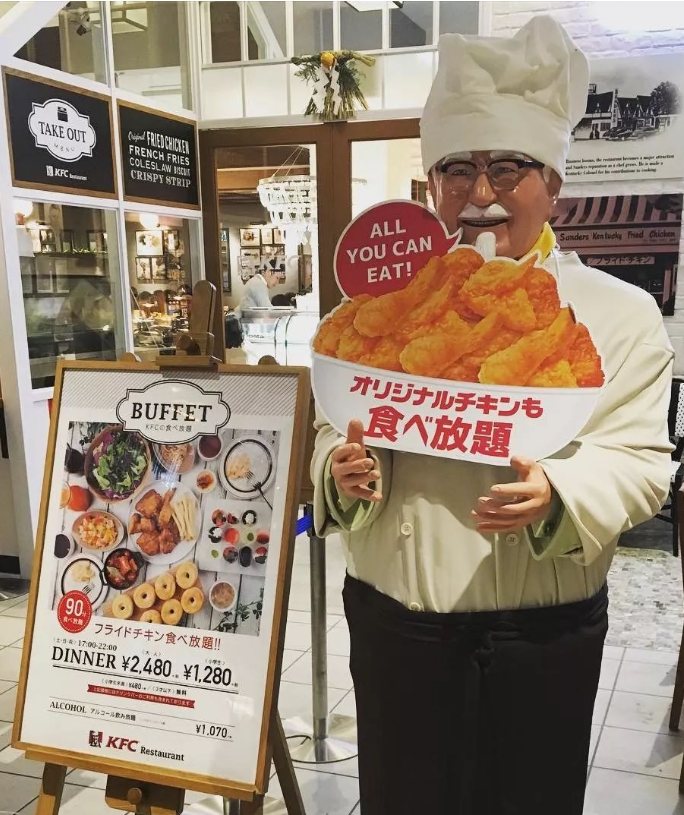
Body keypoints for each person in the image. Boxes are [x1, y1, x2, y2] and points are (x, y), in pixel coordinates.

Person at [311, 16, 673, 815]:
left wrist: (561, 493)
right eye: (457, 169)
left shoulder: (620, 315)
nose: (480, 194)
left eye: (508, 167)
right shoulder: (382, 305)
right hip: (397, 631)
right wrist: (336, 469)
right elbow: (331, 421)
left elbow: (642, 460)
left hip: (543, 637)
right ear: (431, 185)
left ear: (554, 183)